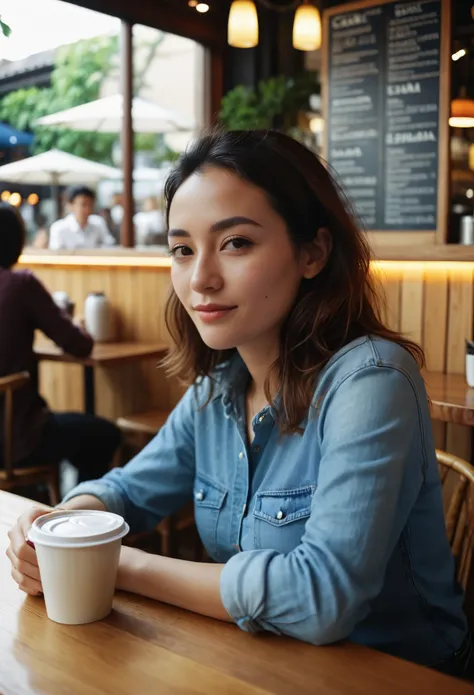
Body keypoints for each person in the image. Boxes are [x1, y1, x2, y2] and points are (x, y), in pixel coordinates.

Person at [7, 130, 473, 678]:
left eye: (235, 243)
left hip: (401, 675)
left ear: (313, 252)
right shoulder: (217, 388)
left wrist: (111, 562)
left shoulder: (372, 379)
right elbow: (128, 491)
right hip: (263, 661)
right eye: (182, 249)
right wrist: (60, 527)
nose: (200, 277)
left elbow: (323, 597)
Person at [0, 202, 120, 490]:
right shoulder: (20, 284)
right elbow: (79, 345)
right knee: (103, 435)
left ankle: (43, 501)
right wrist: (76, 322)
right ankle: (76, 522)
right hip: (14, 440)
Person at [49, 186, 116, 250]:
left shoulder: (98, 223)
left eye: (90, 204)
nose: (87, 209)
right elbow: (56, 254)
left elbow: (109, 245)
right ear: (70, 205)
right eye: (83, 204)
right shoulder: (59, 228)